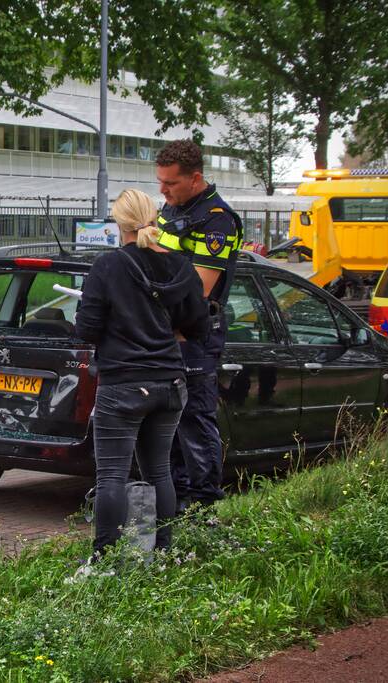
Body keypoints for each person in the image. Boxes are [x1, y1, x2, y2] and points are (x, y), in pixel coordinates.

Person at [73, 189, 209, 575]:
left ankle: (104, 562)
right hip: (169, 384)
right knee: (160, 471)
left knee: (112, 476)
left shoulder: (108, 267)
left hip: (123, 386)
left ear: (120, 224)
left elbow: (88, 328)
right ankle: (162, 554)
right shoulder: (180, 267)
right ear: (154, 219)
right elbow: (199, 325)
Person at [154, 140, 244, 511]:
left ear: (195, 179)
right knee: (168, 421)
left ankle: (204, 505)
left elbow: (199, 288)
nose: (162, 190)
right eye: (159, 182)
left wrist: (152, 277)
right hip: (163, 330)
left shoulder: (217, 219)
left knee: (195, 418)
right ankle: (174, 502)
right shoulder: (172, 205)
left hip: (194, 333)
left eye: (170, 183)